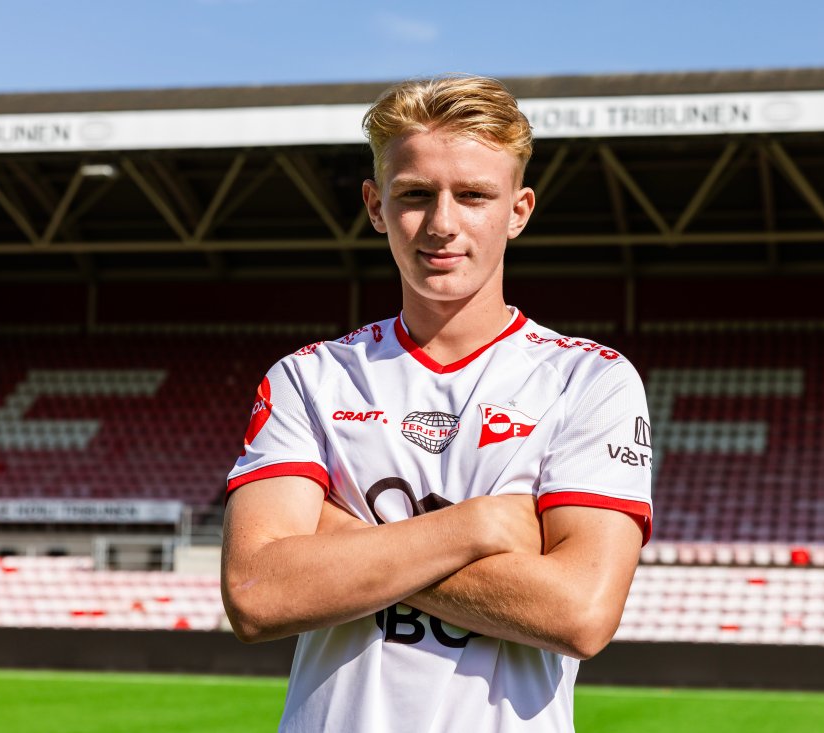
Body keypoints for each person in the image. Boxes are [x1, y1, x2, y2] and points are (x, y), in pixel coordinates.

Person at [221, 75, 654, 733]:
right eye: (415, 195)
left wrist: (343, 539)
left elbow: (580, 613)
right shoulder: (310, 378)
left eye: (474, 195)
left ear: (519, 208)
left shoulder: (589, 380)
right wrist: (472, 528)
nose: (443, 224)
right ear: (375, 204)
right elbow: (256, 594)